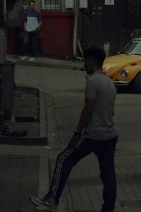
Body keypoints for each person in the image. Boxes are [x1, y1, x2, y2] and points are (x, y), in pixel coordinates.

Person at [30, 46, 118, 212]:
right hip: (110, 135)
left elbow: (87, 110)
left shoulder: (92, 82)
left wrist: (77, 133)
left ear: (91, 61)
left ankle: (52, 200)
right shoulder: (110, 83)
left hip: (93, 135)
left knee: (64, 159)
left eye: (85, 61)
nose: (84, 65)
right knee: (108, 175)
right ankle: (108, 208)